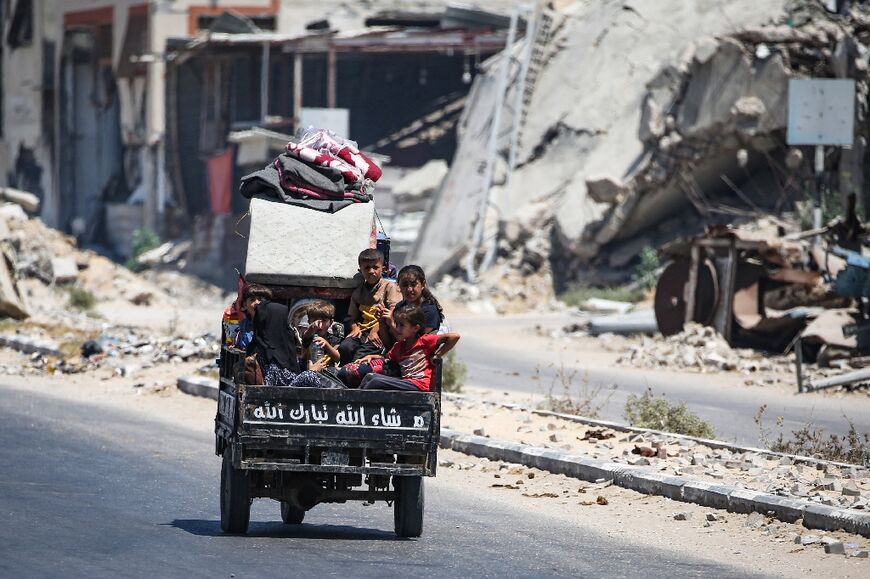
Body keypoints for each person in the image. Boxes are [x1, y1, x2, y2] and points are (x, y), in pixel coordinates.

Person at [244, 284, 329, 387]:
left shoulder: (278, 349)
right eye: (282, 322)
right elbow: (280, 387)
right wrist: (311, 372)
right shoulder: (266, 355)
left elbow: (291, 373)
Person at [359, 304, 460, 392]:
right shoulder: (398, 346)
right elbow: (386, 359)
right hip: (406, 382)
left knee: (375, 382)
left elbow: (454, 336)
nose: (397, 329)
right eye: (397, 324)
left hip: (419, 384)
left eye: (402, 325)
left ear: (416, 328)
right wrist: (372, 356)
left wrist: (437, 355)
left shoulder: (424, 341)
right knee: (369, 377)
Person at [338, 248, 402, 364]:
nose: (371, 271)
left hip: (382, 333)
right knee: (345, 347)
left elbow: (393, 312)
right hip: (363, 332)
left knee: (359, 356)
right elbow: (351, 317)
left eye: (375, 267)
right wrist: (355, 328)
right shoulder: (358, 292)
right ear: (360, 270)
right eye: (367, 268)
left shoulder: (389, 288)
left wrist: (374, 331)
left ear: (383, 269)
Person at [379, 264, 446, 338]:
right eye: (405, 285)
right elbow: (390, 344)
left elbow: (415, 345)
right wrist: (382, 321)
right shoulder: (399, 307)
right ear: (398, 286)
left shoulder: (429, 311)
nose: (409, 289)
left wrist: (391, 324)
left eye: (413, 284)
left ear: (423, 284)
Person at [299, 300, 343, 365]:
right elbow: (303, 355)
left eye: (324, 320)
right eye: (314, 320)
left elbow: (338, 358)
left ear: (331, 322)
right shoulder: (308, 336)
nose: (319, 324)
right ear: (309, 322)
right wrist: (311, 329)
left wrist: (326, 344)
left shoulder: (333, 339)